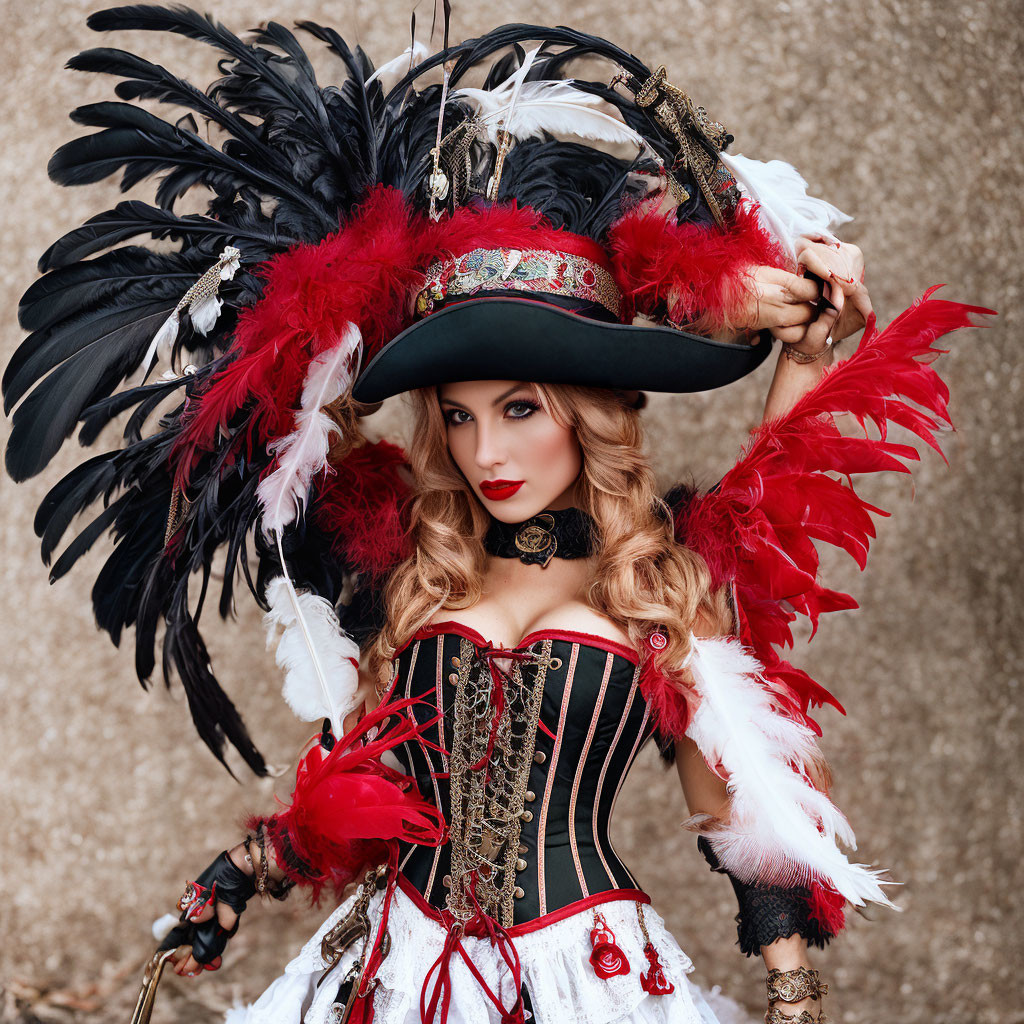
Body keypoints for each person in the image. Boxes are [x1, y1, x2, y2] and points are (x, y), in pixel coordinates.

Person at [2, 8, 990, 1024]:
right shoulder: (408, 560)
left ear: (586, 412)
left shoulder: (663, 579)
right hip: (395, 967)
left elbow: (740, 806)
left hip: (586, 979)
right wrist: (242, 868)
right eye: (459, 417)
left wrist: (793, 994)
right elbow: (370, 784)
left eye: (520, 408)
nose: (486, 453)